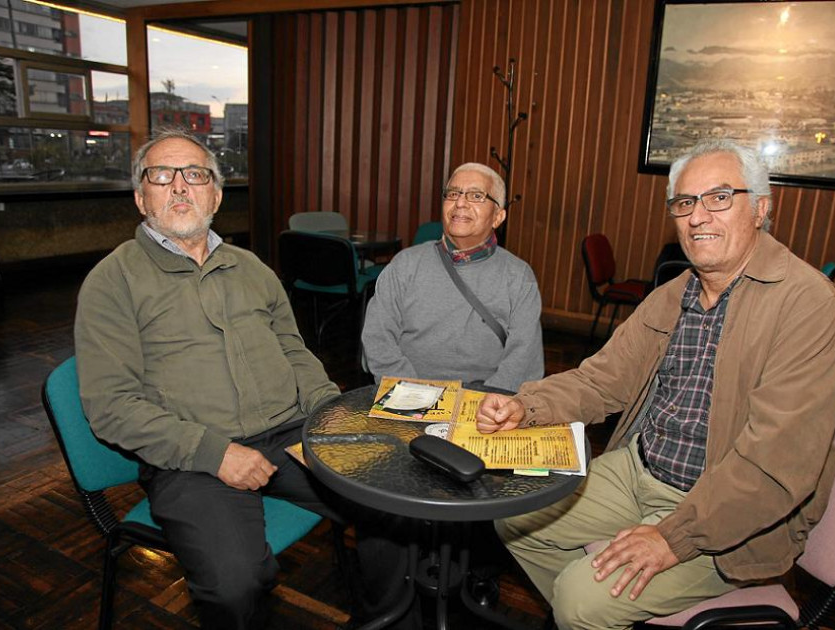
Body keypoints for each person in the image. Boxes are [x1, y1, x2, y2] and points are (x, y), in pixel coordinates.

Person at [476, 139, 835, 630]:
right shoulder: (673, 295)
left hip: (725, 510)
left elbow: (774, 464)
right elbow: (601, 379)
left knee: (579, 599)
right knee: (512, 515)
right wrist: (527, 407)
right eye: (685, 202)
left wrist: (673, 537)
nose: (698, 216)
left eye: (719, 197)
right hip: (640, 468)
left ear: (761, 209)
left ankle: (588, 612)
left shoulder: (809, 306)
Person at [75, 129, 349, 630]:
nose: (180, 186)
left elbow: (294, 351)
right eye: (162, 175)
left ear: (216, 196)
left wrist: (328, 412)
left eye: (196, 174)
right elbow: (111, 405)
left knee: (391, 504)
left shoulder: (251, 268)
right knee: (234, 582)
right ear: (141, 198)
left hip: (287, 433)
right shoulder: (112, 281)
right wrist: (215, 454)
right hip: (190, 455)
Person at [361, 162, 544, 392]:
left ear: (498, 217)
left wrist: (486, 403)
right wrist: (411, 393)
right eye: (453, 194)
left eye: (476, 196)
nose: (460, 203)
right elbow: (377, 339)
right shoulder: (405, 265)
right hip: (408, 393)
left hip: (484, 400)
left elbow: (523, 361)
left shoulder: (518, 277)